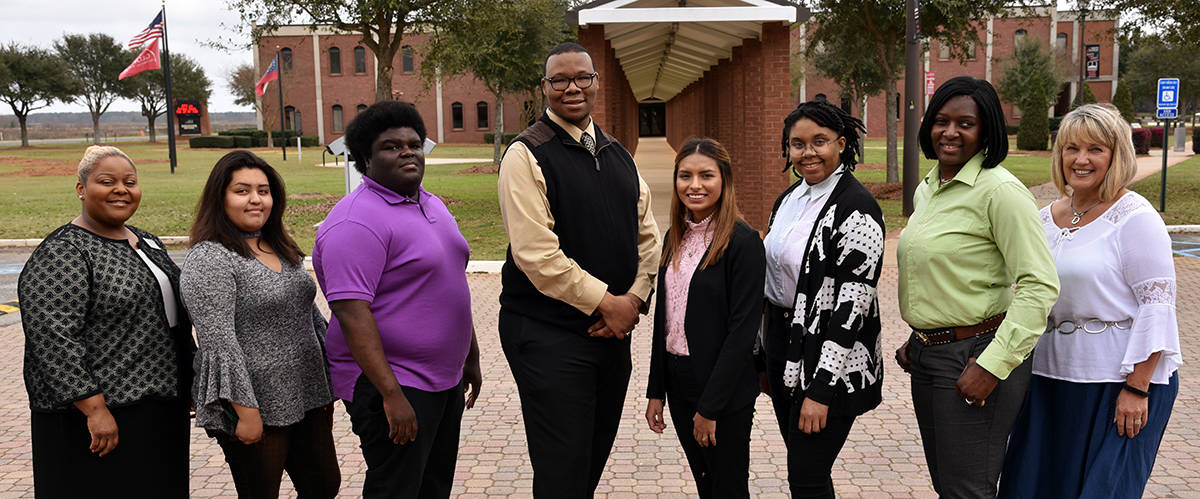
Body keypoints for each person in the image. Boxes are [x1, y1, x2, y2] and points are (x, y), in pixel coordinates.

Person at [497, 41, 660, 497]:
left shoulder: (618, 154)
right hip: (548, 336)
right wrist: (607, 302)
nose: (572, 88)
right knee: (561, 470)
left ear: (595, 82)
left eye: (581, 78)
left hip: (612, 335)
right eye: (560, 80)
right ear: (544, 88)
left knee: (588, 462)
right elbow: (536, 254)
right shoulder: (526, 154)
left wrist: (634, 300)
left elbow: (649, 236)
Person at [998, 104, 1182, 498]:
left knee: (1101, 489)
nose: (1080, 159)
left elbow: (1157, 306)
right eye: (1071, 148)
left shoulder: (1136, 218)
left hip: (1118, 383)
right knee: (1033, 486)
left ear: (1117, 156)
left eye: (1095, 149)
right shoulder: (1044, 217)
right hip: (1048, 378)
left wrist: (1138, 388)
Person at [894, 76, 1060, 497]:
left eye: (965, 123)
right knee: (948, 485)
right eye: (941, 121)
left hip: (977, 354)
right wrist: (921, 334)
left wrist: (991, 365)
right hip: (930, 355)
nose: (950, 132)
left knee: (967, 489)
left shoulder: (1000, 192)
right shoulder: (930, 188)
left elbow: (1039, 285)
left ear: (986, 130)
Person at [313, 100, 481, 498]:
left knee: (432, 486)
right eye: (392, 146)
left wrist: (469, 357)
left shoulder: (431, 203)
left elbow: (451, 284)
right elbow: (352, 315)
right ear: (364, 159)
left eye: (414, 143)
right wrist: (391, 394)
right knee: (396, 489)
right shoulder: (355, 222)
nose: (408, 151)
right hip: (392, 384)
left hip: (443, 380)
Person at [19, 145, 195, 497]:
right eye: (107, 181)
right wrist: (94, 409)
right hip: (96, 416)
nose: (121, 189)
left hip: (157, 408)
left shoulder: (147, 242)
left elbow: (173, 317)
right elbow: (53, 339)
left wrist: (188, 376)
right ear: (81, 189)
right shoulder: (65, 251)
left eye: (130, 181)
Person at [181, 150, 340, 498]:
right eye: (242, 190)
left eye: (263, 190)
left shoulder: (279, 246)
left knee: (324, 486)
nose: (256, 199)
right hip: (254, 403)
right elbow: (217, 340)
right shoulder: (210, 257)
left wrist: (330, 376)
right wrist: (244, 411)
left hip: (307, 394)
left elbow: (307, 315)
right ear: (220, 197)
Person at [759, 101, 885, 498]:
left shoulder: (857, 207)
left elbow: (853, 306)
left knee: (806, 475)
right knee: (808, 472)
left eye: (819, 142)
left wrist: (821, 390)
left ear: (842, 144)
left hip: (829, 358)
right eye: (797, 144)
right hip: (783, 345)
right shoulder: (789, 199)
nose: (807, 152)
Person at [644, 137, 764, 499]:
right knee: (705, 483)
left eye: (706, 175)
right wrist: (656, 391)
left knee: (727, 488)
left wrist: (710, 407)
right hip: (680, 382)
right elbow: (664, 321)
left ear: (724, 180)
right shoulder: (673, 238)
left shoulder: (742, 242)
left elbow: (742, 332)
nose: (694, 185)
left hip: (723, 390)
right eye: (685, 176)